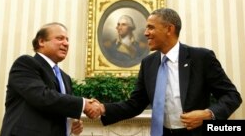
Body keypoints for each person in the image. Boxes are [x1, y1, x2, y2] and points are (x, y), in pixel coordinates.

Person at [92, 8, 242, 136]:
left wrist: (208, 114)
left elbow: (232, 96)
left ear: (169, 29)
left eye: (151, 27)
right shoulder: (148, 63)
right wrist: (104, 108)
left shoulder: (201, 58)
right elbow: (135, 104)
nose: (145, 33)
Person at [0, 22, 101, 136]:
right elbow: (43, 96)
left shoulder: (65, 78)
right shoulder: (26, 63)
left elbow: (57, 107)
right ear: (41, 41)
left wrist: (70, 124)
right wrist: (84, 104)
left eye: (67, 40)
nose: (66, 43)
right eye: (60, 38)